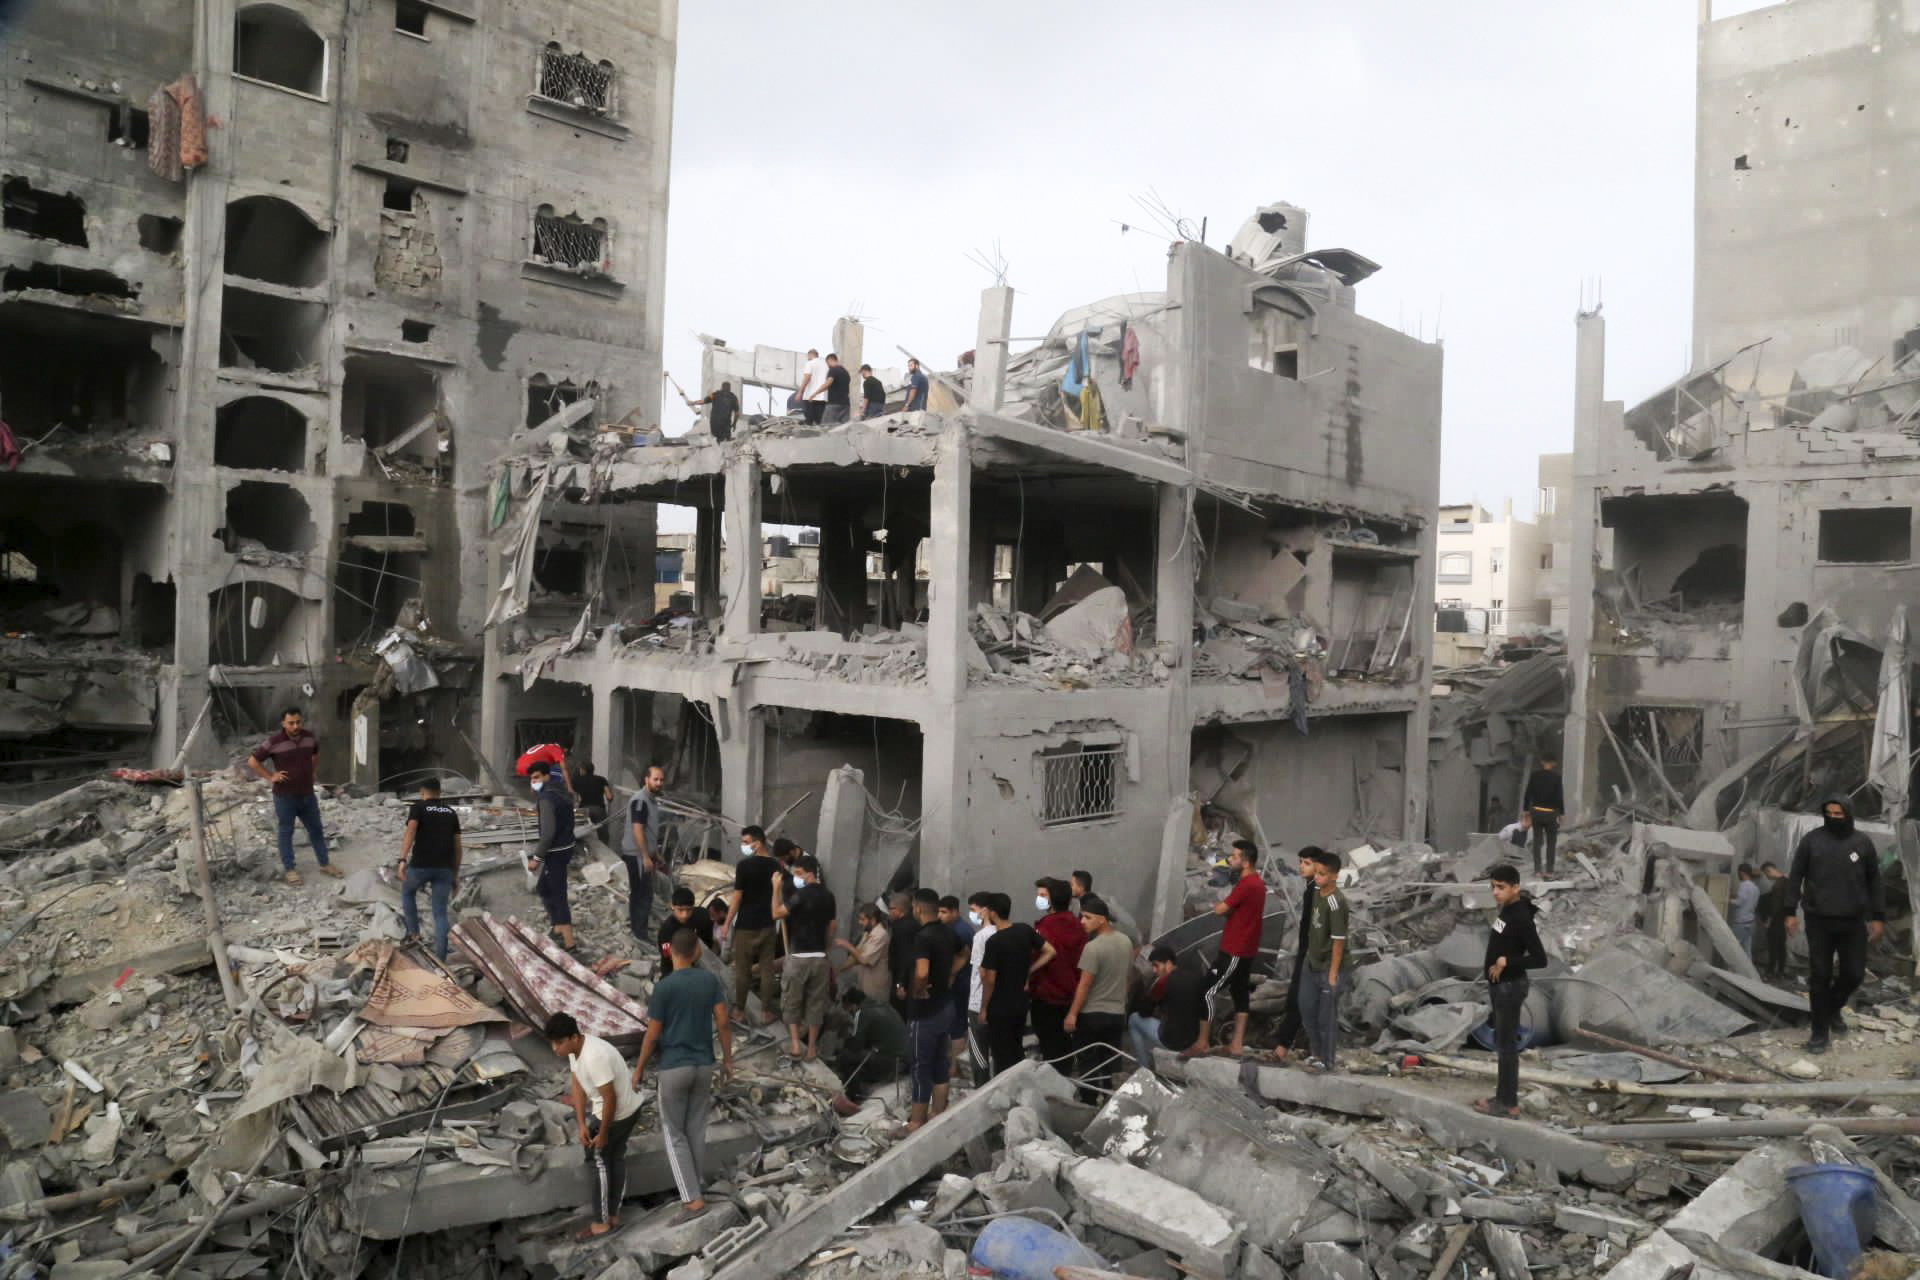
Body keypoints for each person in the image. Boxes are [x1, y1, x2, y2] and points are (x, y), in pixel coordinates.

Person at [631, 928, 731, 1219]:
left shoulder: (664, 987)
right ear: (697, 951)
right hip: (704, 1065)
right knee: (696, 1130)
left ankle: (691, 1201)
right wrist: (728, 1060)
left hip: (674, 1067)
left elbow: (652, 1035)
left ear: (670, 952)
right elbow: (723, 1022)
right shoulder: (709, 981)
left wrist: (638, 1068)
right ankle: (695, 1185)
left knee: (674, 1134)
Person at [1785, 795, 1886, 1054]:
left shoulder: (1862, 843)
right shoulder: (1812, 841)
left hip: (1853, 921)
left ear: (1848, 814)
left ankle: (1830, 1010)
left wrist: (1878, 917)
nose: (1833, 818)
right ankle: (1819, 1033)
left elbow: (1875, 881)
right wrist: (1790, 911)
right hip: (1819, 920)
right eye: (1828, 813)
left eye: (1838, 814)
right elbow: (1796, 875)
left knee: (1854, 974)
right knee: (1820, 976)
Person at [545, 1011, 643, 1239]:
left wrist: (604, 1132)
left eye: (559, 1043)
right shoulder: (576, 1051)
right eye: (552, 1043)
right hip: (624, 1108)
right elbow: (577, 1086)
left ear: (574, 1037)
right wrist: (581, 1124)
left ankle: (601, 1223)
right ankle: (613, 1215)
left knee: (597, 1159)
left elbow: (610, 1098)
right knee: (614, 1157)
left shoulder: (593, 1056)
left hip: (620, 1112)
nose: (555, 1049)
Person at [1475, 864, 1547, 1117]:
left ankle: (1509, 1104)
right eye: (1493, 886)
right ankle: (1502, 1096)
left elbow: (1540, 959)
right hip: (1500, 986)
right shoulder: (1508, 910)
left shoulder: (1521, 918)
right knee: (1502, 1044)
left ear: (1515, 887)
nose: (1495, 892)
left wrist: (1508, 962)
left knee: (1507, 1048)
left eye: (1501, 887)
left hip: (1510, 986)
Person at [248, 707, 342, 886]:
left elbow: (315, 754)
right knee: (286, 832)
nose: (295, 726)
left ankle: (325, 864)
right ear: (283, 723)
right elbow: (252, 761)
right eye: (291, 723)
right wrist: (270, 777)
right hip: (285, 797)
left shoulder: (309, 737)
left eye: (298, 722)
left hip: (307, 795)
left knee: (316, 830)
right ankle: (290, 869)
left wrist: (312, 772)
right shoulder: (274, 742)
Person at [906, 888, 961, 1131]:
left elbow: (922, 971)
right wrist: (950, 974)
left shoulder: (923, 937)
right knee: (941, 1062)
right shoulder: (948, 932)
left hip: (925, 1012)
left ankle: (916, 1122)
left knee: (920, 1066)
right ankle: (937, 1114)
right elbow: (965, 953)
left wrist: (919, 990)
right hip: (945, 1006)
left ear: (917, 908)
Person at [1205, 840, 1266, 1057]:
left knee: (1206, 991)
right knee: (1240, 994)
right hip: (1246, 949)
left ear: (1246, 861)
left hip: (1234, 949)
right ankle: (1237, 1044)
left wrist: (1214, 902)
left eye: (1234, 856)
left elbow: (1221, 909)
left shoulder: (1247, 885)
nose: (1230, 859)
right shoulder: (1257, 883)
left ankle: (1201, 1042)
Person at [1065, 895, 1130, 1096]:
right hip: (1117, 1014)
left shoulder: (1092, 948)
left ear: (1102, 919)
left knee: (1088, 1066)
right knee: (1110, 1063)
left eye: (1087, 917)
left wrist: (1072, 1014)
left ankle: (1089, 1104)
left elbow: (1084, 985)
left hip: (1092, 1016)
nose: (1082, 922)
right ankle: (1110, 1101)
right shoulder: (1125, 941)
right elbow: (1127, 977)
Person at [774, 855, 836, 1060]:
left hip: (799, 955)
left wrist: (776, 888)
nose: (795, 879)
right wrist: (826, 949)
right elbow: (832, 926)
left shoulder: (799, 896)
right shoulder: (829, 896)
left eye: (798, 874)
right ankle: (811, 1049)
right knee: (815, 1004)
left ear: (809, 873)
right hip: (820, 957)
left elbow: (776, 913)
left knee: (791, 1000)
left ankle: (794, 1045)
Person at [978, 893, 1044, 1077]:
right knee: (1016, 1049)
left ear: (992, 913)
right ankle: (1020, 1086)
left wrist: (984, 1007)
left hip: (1000, 1006)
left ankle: (1006, 1090)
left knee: (1001, 1055)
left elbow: (989, 978)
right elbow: (1049, 951)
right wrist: (1030, 969)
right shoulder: (1024, 930)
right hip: (1021, 1003)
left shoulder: (995, 942)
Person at [396, 777, 462, 960]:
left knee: (408, 892)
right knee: (440, 912)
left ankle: (414, 933)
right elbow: (458, 846)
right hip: (444, 869)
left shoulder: (418, 808)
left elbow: (411, 831)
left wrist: (402, 859)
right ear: (440, 793)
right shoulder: (450, 812)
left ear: (422, 793)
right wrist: (455, 874)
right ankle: (441, 958)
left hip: (421, 866)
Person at [724, 825, 781, 1025]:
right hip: (768, 925)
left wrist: (726, 924)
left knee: (743, 970)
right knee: (767, 970)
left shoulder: (744, 866)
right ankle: (766, 1012)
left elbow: (737, 898)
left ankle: (739, 1010)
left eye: (746, 843)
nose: (743, 846)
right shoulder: (776, 866)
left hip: (746, 926)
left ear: (758, 844)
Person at [1298, 849, 1348, 1071]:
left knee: (1325, 1018)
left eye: (1322, 874)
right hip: (1312, 962)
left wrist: (1333, 974)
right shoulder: (1317, 891)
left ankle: (1326, 1061)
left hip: (1330, 965)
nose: (1317, 878)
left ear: (1335, 876)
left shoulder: (1336, 903)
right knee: (1306, 1008)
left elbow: (1338, 941)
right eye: (1316, 873)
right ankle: (1315, 1052)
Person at [1270, 849, 1320, 1064]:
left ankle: (1291, 1050)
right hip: (1306, 952)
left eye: (1306, 863)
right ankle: (1287, 1049)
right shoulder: (1311, 889)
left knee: (1302, 1001)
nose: (1301, 866)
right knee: (1297, 1000)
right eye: (1300, 862)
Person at [1028, 877, 1084, 1065]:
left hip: (1047, 995)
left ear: (1053, 899)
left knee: (1049, 1047)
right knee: (1064, 1047)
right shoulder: (1077, 925)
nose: (1038, 898)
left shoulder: (1046, 927)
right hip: (1072, 995)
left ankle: (1053, 1088)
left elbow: (1036, 956)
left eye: (1042, 895)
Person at [829, 987, 908, 1117]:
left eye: (847, 1009)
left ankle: (854, 1097)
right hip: (904, 1059)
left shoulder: (863, 1013)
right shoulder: (884, 1004)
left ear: (852, 1005)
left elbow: (855, 1047)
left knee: (845, 1056)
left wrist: (845, 1039)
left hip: (891, 1062)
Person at [1128, 946, 1210, 1068]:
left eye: (1156, 965)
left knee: (1134, 1019)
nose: (1154, 970)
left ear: (1168, 964)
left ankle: (1144, 1068)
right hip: (1194, 1039)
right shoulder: (1196, 977)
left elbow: (1144, 1011)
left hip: (1173, 1041)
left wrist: (1150, 991)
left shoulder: (1162, 982)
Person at [526, 760, 578, 950]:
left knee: (558, 894)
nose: (533, 781)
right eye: (531, 778)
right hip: (566, 847)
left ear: (546, 776)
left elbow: (548, 832)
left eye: (537, 777)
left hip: (555, 852)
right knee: (544, 888)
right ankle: (557, 929)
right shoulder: (561, 792)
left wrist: (537, 858)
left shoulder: (547, 798)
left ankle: (569, 943)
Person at [622, 765, 667, 945]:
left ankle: (638, 928)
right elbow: (638, 830)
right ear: (646, 779)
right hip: (636, 855)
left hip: (642, 854)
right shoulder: (640, 801)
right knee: (643, 894)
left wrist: (655, 852)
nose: (659, 783)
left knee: (641, 892)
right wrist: (645, 857)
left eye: (661, 780)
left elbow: (648, 830)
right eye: (655, 779)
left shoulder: (651, 800)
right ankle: (640, 934)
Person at [938, 895, 976, 1076]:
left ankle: (955, 1067)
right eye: (939, 911)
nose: (940, 916)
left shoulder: (960, 932)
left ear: (955, 912)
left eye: (944, 912)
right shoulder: (956, 928)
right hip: (961, 983)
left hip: (961, 984)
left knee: (957, 1026)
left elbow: (963, 956)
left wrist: (950, 975)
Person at [963, 891, 998, 1079]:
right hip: (998, 1001)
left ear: (985, 910)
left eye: (973, 909)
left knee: (979, 1057)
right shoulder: (1001, 933)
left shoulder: (981, 937)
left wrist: (981, 1005)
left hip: (978, 1003)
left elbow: (980, 972)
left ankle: (981, 1090)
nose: (972, 914)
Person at [834, 902, 893, 1003]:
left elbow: (865, 960)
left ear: (873, 920)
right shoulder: (867, 933)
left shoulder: (881, 935)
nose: (860, 922)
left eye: (863, 919)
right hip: (864, 983)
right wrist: (838, 970)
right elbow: (856, 956)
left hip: (875, 985)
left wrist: (847, 945)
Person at [1522, 756, 1565, 875]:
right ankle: (1550, 871)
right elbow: (1559, 797)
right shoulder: (1556, 777)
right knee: (1551, 842)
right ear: (1554, 763)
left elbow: (1528, 793)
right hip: (1551, 813)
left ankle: (1537, 870)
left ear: (1542, 762)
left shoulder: (1534, 775)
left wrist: (1526, 810)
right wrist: (1561, 813)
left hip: (1537, 812)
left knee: (1537, 841)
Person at [1070, 869, 1137, 945]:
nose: (1069, 888)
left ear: (1081, 887)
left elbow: (1117, 920)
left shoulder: (1096, 904)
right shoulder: (1080, 904)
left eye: (1072, 885)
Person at [656, 887, 715, 969]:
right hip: (672, 966)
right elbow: (667, 954)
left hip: (696, 960)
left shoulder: (702, 917)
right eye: (680, 910)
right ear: (672, 906)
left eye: (688, 910)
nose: (685, 915)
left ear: (693, 907)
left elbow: (708, 941)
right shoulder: (666, 930)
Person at [886, 890, 921, 1020]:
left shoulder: (902, 928)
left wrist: (900, 984)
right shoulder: (911, 924)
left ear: (899, 909)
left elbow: (905, 956)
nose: (889, 912)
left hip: (903, 978)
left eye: (891, 909)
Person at [1757, 861, 1791, 981]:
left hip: (1776, 920)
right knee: (1781, 946)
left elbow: (1775, 907)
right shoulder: (1787, 881)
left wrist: (1769, 920)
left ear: (1768, 871)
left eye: (1766, 874)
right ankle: (1780, 971)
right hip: (1783, 919)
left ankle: (1770, 972)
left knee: (1773, 947)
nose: (1767, 877)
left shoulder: (1778, 885)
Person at [1730, 863, 1761, 958]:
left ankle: (1731, 972)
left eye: (1738, 873)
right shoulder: (1755, 888)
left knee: (1733, 951)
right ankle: (1749, 972)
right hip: (1750, 922)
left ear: (1742, 873)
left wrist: (1726, 900)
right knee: (1747, 951)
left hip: (1741, 923)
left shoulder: (1743, 885)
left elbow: (1739, 902)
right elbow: (1749, 901)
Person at [797, 349, 829, 426]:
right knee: (819, 420)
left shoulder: (810, 363)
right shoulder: (826, 365)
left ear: (810, 355)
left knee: (809, 420)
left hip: (810, 395)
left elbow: (807, 377)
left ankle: (808, 433)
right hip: (822, 396)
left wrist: (800, 392)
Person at [821, 353, 851, 425]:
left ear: (829, 360)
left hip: (834, 404)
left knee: (826, 426)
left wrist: (815, 393)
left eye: (827, 363)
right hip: (846, 404)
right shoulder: (846, 372)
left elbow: (828, 383)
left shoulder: (833, 370)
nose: (828, 366)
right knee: (843, 429)